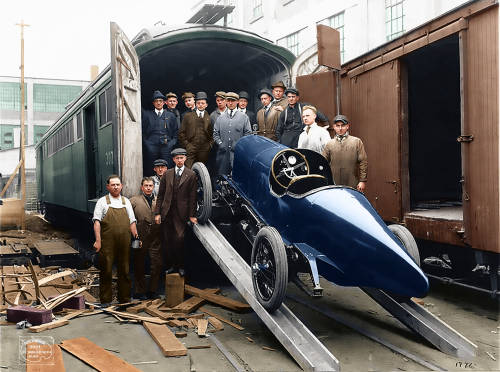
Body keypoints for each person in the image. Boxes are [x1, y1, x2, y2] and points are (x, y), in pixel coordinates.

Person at [93, 175, 138, 305]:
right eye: (113, 185)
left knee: (124, 270)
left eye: (118, 184)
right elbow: (97, 222)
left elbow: (132, 222)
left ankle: (124, 299)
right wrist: (98, 240)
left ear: (121, 186)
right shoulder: (102, 202)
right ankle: (105, 300)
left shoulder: (126, 201)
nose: (116, 187)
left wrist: (136, 237)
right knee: (106, 269)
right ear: (108, 187)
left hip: (124, 241)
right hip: (107, 242)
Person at [154, 148, 198, 277]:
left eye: (181, 158)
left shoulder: (191, 175)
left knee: (179, 239)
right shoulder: (167, 174)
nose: (179, 160)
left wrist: (192, 215)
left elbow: (192, 197)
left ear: (185, 159)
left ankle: (181, 266)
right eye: (177, 158)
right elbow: (160, 195)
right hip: (167, 212)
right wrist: (157, 213)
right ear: (173, 159)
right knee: (168, 241)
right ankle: (173, 266)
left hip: (181, 214)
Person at [130, 177, 161, 299]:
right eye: (146, 186)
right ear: (142, 187)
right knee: (138, 263)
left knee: (157, 263)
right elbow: (129, 220)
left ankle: (152, 291)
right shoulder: (133, 200)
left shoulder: (158, 201)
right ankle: (139, 291)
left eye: (150, 186)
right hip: (139, 235)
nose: (148, 188)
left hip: (155, 236)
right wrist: (134, 237)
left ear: (153, 187)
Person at [322, 114, 368, 193]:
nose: (340, 128)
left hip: (352, 183)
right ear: (334, 127)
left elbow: (363, 162)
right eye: (337, 125)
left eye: (343, 125)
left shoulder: (356, 141)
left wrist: (362, 181)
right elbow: (323, 163)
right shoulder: (329, 144)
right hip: (334, 184)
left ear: (347, 126)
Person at [213, 92, 252, 175]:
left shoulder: (244, 117)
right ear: (226, 101)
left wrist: (239, 145)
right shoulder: (220, 118)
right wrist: (220, 143)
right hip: (223, 154)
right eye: (228, 101)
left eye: (233, 101)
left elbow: (248, 134)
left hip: (237, 154)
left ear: (237, 101)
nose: (230, 103)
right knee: (222, 176)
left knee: (238, 176)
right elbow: (215, 134)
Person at [141, 90, 178, 173]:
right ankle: (152, 184)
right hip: (151, 147)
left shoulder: (170, 115)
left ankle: (168, 184)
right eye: (156, 101)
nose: (158, 103)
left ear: (164, 102)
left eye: (160, 101)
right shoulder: (147, 115)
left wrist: (171, 144)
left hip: (166, 146)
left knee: (168, 167)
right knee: (151, 167)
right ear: (153, 103)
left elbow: (176, 132)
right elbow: (143, 131)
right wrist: (147, 144)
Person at [178, 91, 213, 168]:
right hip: (191, 147)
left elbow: (212, 134)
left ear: (206, 105)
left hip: (204, 149)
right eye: (198, 103)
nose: (200, 105)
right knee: (188, 169)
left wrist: (209, 145)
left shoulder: (209, 117)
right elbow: (181, 133)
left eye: (202, 103)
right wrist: (187, 145)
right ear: (196, 104)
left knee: (202, 170)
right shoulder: (188, 116)